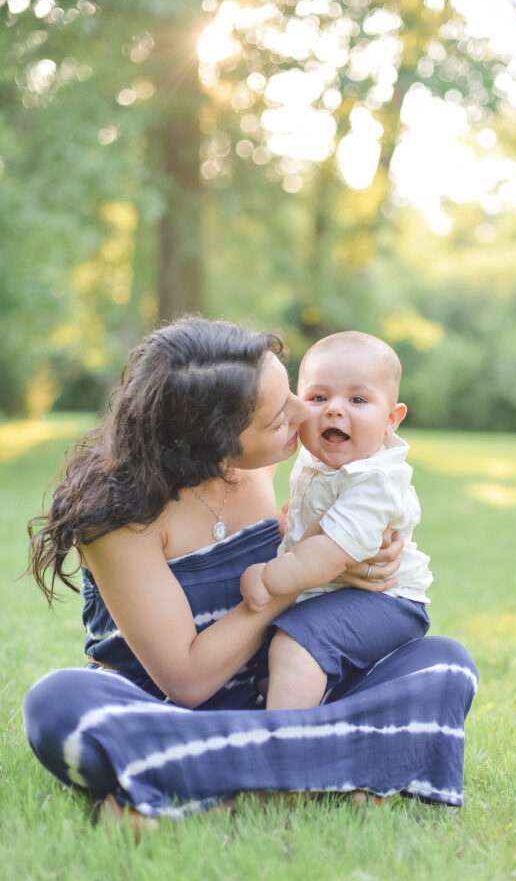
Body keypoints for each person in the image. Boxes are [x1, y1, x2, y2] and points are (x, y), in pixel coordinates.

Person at [23, 316, 478, 824]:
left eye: (291, 394)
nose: (306, 411)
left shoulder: (259, 461)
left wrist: (370, 554)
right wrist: (302, 575)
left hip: (281, 696)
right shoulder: (118, 519)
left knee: (445, 665)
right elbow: (188, 681)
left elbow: (354, 503)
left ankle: (200, 777)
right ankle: (311, 768)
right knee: (58, 704)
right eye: (281, 415)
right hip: (170, 711)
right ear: (213, 441)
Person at [241, 331, 433, 711]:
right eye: (318, 397)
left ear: (391, 420)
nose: (334, 409)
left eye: (358, 400)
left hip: (386, 601)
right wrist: (288, 523)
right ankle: (324, 716)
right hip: (335, 594)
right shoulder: (317, 460)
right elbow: (307, 516)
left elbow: (330, 554)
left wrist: (267, 577)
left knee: (296, 647)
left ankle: (282, 745)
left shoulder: (375, 479)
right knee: (263, 664)